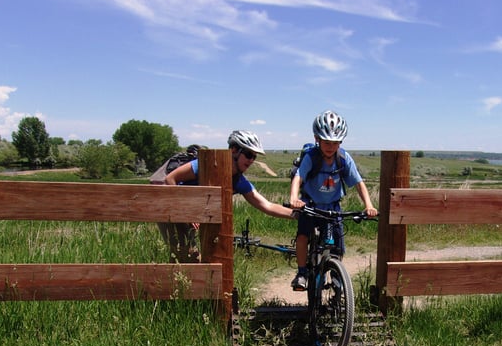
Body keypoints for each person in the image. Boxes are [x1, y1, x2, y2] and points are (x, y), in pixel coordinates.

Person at [162, 130, 294, 262]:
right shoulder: (205, 164)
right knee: (187, 258)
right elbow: (170, 179)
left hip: (197, 217)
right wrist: (188, 214)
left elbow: (267, 206)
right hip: (173, 209)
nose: (251, 160)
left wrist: (299, 215)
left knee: (206, 260)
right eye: (248, 154)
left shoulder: (238, 181)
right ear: (234, 150)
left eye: (254, 157)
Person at [289, 110, 378, 291]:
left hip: (332, 206)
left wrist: (368, 205)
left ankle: (337, 277)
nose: (331, 147)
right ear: (317, 139)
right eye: (326, 142)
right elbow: (299, 177)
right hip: (311, 204)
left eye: (335, 143)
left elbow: (359, 183)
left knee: (338, 245)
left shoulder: (343, 158)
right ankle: (302, 272)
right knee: (303, 236)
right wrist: (294, 198)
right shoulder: (311, 157)